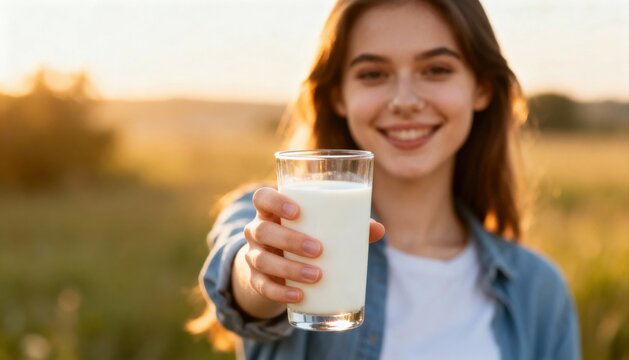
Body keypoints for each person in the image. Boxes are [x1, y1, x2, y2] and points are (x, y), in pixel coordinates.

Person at [196, 0, 581, 359]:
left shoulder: (539, 292)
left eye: (436, 69)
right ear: (338, 97)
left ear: (480, 88)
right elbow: (242, 276)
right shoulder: (276, 220)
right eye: (373, 74)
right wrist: (260, 273)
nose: (404, 100)